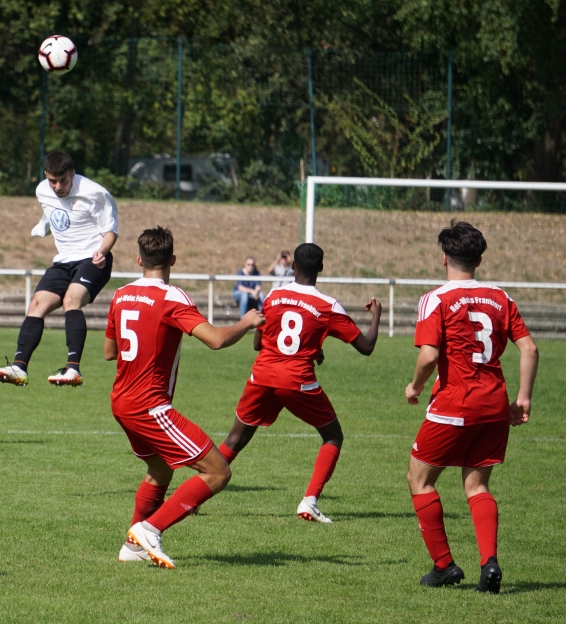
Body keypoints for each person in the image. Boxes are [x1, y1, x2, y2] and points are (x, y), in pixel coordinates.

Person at [106, 226, 265, 569]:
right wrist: (247, 322)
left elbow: (109, 351)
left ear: (139, 260)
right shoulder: (172, 297)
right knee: (218, 472)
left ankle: (132, 547)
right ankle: (149, 530)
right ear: (173, 260)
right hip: (149, 405)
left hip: (121, 401)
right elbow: (216, 340)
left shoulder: (120, 295)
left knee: (160, 469)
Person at [404, 221, 538, 593]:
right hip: (494, 406)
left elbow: (429, 355)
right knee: (477, 485)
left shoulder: (436, 298)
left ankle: (444, 566)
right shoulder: (500, 297)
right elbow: (529, 348)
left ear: (444, 259)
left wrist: (415, 386)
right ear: (479, 259)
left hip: (453, 404)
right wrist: (523, 398)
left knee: (419, 479)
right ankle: (489, 563)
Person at [218, 243, 381, 524]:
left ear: (293, 266)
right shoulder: (327, 305)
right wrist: (376, 314)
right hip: (296, 381)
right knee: (333, 436)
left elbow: (258, 343)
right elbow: (366, 347)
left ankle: (191, 499)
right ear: (321, 268)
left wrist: (310, 347)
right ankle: (310, 501)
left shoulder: (274, 295)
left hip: (263, 376)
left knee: (235, 439)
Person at [0, 151, 118, 387]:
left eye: (63, 181)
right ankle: (19, 368)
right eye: (52, 181)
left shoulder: (95, 193)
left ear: (73, 174)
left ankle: (73, 370)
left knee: (71, 299)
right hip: (63, 262)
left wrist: (102, 250)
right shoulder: (42, 190)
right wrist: (43, 227)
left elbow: (110, 230)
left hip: (93, 259)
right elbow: (51, 212)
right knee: (36, 304)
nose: (58, 187)